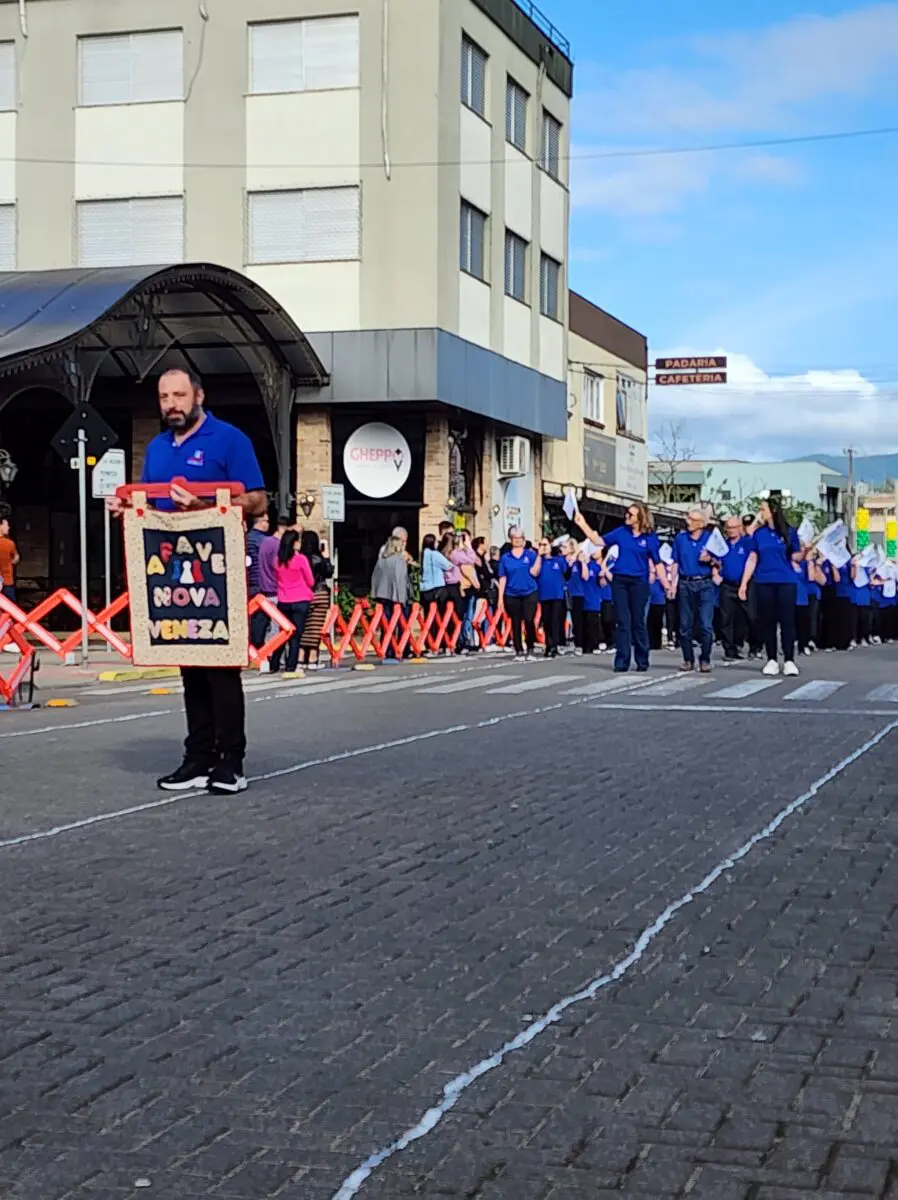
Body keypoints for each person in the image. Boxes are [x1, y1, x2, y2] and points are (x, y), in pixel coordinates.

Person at [106, 367, 267, 794]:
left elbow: (256, 498)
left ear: (198, 395)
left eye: (179, 395)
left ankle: (231, 762)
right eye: (163, 397)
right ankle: (198, 758)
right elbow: (149, 502)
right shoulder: (157, 448)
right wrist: (126, 508)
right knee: (189, 666)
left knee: (220, 667)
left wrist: (204, 503)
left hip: (217, 571)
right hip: (172, 576)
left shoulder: (230, 439)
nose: (171, 404)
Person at [574, 502, 667, 673]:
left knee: (638, 621)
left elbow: (657, 562)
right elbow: (599, 541)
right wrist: (582, 523)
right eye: (626, 513)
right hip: (620, 581)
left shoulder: (650, 538)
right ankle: (622, 661)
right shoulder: (621, 532)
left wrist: (666, 584)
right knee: (623, 621)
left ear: (640, 518)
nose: (626, 516)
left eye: (630, 514)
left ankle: (642, 659)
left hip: (639, 581)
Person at [738, 496, 803, 676]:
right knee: (768, 622)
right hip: (764, 581)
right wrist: (744, 583)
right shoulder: (759, 534)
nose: (761, 512)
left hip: (786, 581)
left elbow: (795, 557)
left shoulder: (789, 532)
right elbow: (752, 557)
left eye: (763, 509)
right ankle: (772, 659)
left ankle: (789, 660)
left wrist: (805, 552)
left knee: (787, 621)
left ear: (773, 510)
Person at [670, 507, 716, 673]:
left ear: (701, 524)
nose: (688, 522)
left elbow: (720, 561)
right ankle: (688, 659)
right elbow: (675, 561)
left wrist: (710, 559)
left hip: (704, 583)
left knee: (705, 624)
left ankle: (705, 658)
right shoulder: (681, 539)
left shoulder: (710, 538)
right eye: (688, 518)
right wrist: (672, 584)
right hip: (685, 583)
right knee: (684, 625)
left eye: (692, 519)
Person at [270, 530, 315, 676]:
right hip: (301, 599)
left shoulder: (277, 560)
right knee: (296, 636)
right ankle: (291, 665)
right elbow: (310, 580)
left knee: (283, 633)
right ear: (295, 542)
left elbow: (277, 579)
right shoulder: (300, 559)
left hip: (283, 600)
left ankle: (274, 663)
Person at [496, 526, 541, 661]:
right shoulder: (505, 558)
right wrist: (500, 598)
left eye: (520, 537)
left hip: (529, 591)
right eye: (514, 538)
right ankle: (518, 650)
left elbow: (535, 572)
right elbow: (502, 577)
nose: (517, 540)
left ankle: (531, 647)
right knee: (515, 621)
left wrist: (539, 556)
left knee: (529, 619)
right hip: (511, 593)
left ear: (523, 539)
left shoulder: (530, 555)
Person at [298, 531, 334, 669]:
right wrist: (326, 558)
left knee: (304, 626)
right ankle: (312, 657)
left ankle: (301, 657)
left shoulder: (299, 558)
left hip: (302, 594)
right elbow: (329, 573)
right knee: (315, 626)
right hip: (320, 593)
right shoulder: (318, 559)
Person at [718, 516, 752, 662]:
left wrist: (744, 583)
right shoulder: (722, 545)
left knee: (745, 617)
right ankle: (729, 649)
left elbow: (752, 560)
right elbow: (716, 560)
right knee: (726, 618)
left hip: (744, 584)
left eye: (734, 527)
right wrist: (715, 572)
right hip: (727, 584)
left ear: (740, 528)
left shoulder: (747, 543)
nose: (731, 531)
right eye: (728, 528)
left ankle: (741, 643)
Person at [371, 535, 411, 657]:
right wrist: (403, 597)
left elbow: (375, 577)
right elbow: (401, 579)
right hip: (397, 595)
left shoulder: (381, 560)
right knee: (401, 623)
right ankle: (402, 649)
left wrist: (375, 593)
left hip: (383, 595)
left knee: (386, 623)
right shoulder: (399, 560)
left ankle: (387, 648)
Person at [247, 509, 278, 650]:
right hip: (262, 583)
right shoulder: (264, 541)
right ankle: (258, 647)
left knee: (252, 617)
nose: (268, 524)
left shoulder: (246, 538)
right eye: (267, 521)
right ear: (260, 523)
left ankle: (252, 646)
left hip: (249, 583)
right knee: (261, 619)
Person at [535, 535, 567, 658]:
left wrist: (563, 555)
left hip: (556, 595)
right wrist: (539, 555)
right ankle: (548, 644)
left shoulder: (557, 560)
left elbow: (565, 570)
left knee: (555, 620)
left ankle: (553, 645)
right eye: (541, 545)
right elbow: (535, 572)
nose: (543, 547)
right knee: (547, 621)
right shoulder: (540, 560)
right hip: (544, 595)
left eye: (545, 545)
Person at [419, 533, 452, 614]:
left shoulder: (423, 553)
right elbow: (448, 566)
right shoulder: (435, 554)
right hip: (437, 587)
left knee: (428, 613)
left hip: (425, 588)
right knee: (440, 613)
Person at [0, 514, 20, 606]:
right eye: (6, 525)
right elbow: (16, 558)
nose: (8, 527)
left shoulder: (9, 543)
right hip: (7, 583)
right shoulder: (9, 543)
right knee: (11, 611)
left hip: (6, 583)